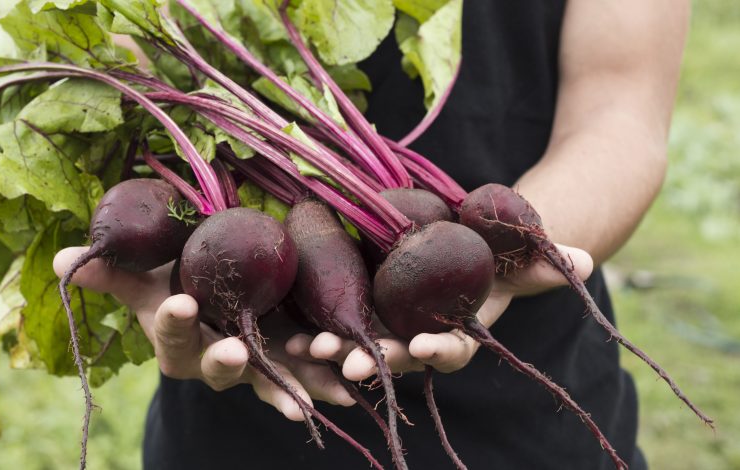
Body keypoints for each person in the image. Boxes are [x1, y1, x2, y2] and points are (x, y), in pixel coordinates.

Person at [53, 1, 689, 468]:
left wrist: (513, 252)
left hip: (534, 410)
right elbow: (138, 45)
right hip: (254, 387)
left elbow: (622, 109)